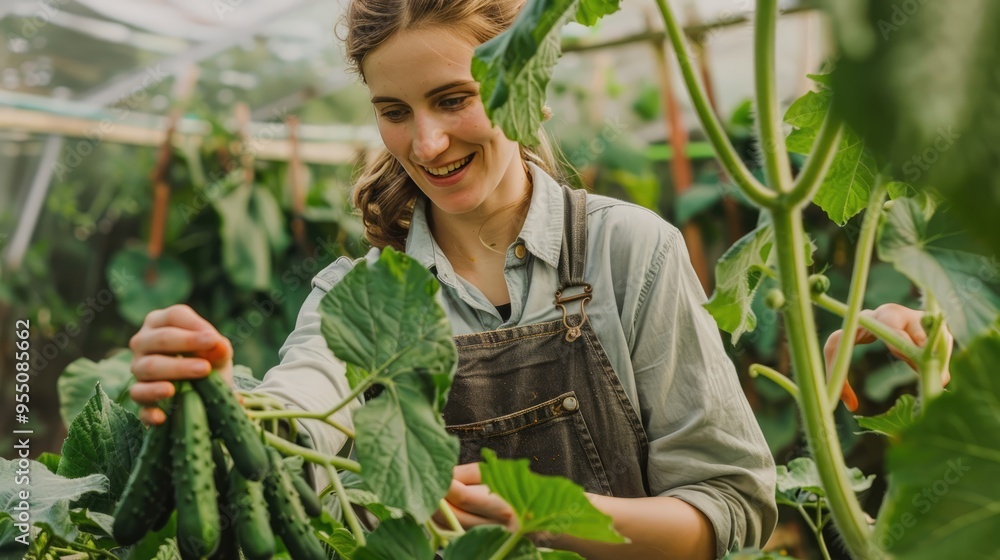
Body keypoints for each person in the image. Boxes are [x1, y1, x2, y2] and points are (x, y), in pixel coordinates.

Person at [126, 1, 949, 558]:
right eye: (396, 110)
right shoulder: (360, 294)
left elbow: (731, 511)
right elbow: (303, 425)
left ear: (526, 88)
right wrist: (227, 393)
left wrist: (546, 519)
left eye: (454, 99)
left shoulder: (632, 250)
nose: (428, 142)